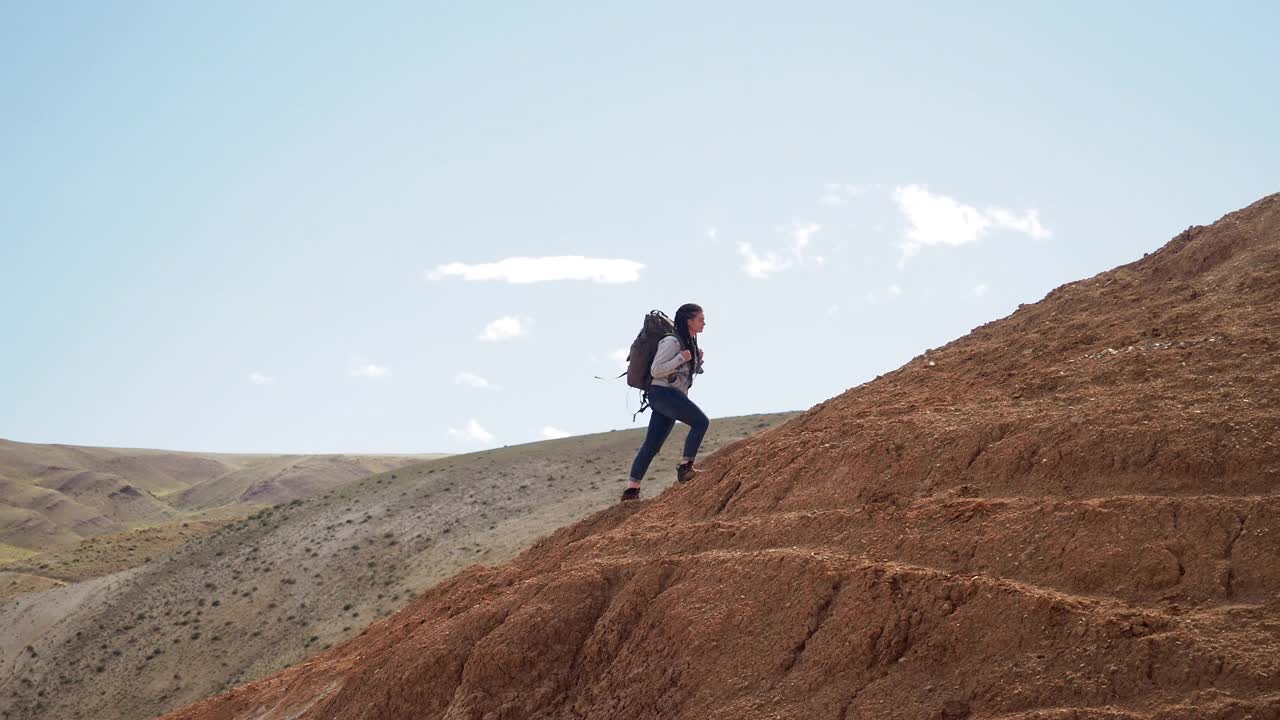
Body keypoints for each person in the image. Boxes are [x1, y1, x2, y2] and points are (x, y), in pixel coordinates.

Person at [622, 303, 709, 501]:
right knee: (701, 422)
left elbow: (683, 374)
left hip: (669, 396)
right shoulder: (672, 342)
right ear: (689, 321)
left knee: (652, 445)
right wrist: (680, 357)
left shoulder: (689, 343)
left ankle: (631, 491)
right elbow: (656, 370)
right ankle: (686, 468)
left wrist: (697, 361)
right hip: (663, 394)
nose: (704, 323)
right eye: (700, 320)